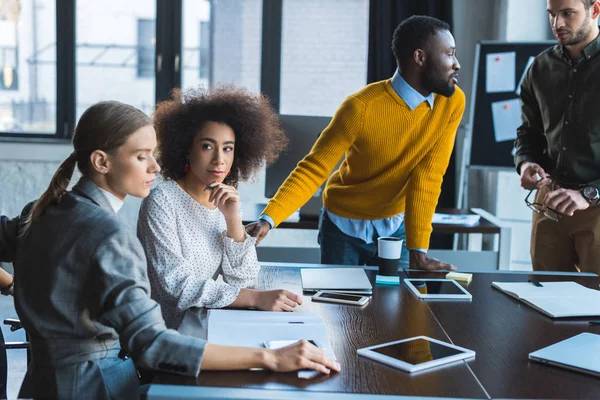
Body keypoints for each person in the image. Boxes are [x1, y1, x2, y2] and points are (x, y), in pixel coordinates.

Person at [0, 101, 339, 399]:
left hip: (44, 383)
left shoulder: (41, 209)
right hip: (98, 387)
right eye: (140, 156)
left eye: (153, 154)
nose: (156, 167)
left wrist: (14, 287)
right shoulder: (110, 237)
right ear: (102, 161)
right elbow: (152, 344)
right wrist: (270, 358)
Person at [246, 16, 465, 271]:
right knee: (341, 307)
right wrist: (268, 219)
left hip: (396, 226)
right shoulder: (360, 107)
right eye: (449, 54)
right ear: (420, 58)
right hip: (343, 227)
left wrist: (419, 250)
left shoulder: (451, 102)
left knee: (403, 307)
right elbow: (314, 168)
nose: (457, 64)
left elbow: (428, 176)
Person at [138, 86, 300, 329]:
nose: (219, 160)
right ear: (186, 148)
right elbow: (177, 285)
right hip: (167, 334)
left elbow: (244, 280)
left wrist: (233, 219)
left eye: (227, 148)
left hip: (208, 323)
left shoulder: (225, 200)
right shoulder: (161, 201)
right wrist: (257, 299)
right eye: (207, 146)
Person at [515, 0, 600, 274]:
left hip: (596, 207)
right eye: (551, 14)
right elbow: (528, 133)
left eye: (567, 13)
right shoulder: (539, 68)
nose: (557, 24)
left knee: (594, 308)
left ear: (595, 10)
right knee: (543, 303)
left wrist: (589, 193)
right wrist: (526, 162)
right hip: (547, 204)